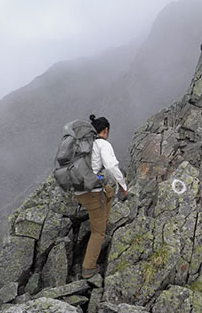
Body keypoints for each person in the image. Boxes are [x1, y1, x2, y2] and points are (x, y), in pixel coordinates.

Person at [75, 114, 128, 279]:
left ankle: (103, 220)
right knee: (98, 232)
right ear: (105, 130)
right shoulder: (103, 144)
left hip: (78, 188)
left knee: (108, 192)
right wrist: (123, 186)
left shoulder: (84, 144)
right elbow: (111, 167)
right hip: (90, 192)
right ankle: (88, 268)